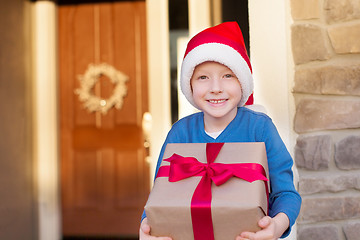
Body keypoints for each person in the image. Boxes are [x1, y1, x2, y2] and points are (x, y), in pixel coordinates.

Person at [139, 21, 301, 240]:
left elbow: (286, 194)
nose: (216, 88)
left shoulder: (259, 128)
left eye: (228, 76)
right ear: (190, 85)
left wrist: (277, 225)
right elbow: (160, 196)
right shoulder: (180, 133)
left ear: (242, 82)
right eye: (203, 77)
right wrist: (146, 228)